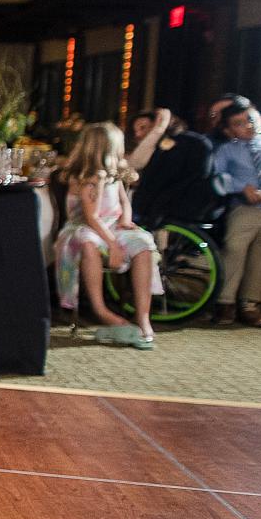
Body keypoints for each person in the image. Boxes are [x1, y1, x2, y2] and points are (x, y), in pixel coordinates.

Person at [55, 123, 162, 348]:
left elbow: (124, 201)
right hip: (85, 227)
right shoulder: (89, 178)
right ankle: (100, 310)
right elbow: (91, 216)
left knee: (143, 244)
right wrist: (112, 244)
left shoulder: (114, 174)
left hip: (112, 226)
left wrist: (125, 219)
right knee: (88, 244)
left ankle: (143, 316)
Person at [212, 100, 261, 327]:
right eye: (239, 123)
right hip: (246, 208)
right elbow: (217, 177)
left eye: (252, 119)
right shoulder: (227, 150)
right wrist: (240, 187)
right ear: (228, 130)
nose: (248, 125)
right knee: (235, 246)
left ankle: (250, 303)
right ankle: (225, 301)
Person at [129, 108, 220, 227]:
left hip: (172, 204)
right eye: (135, 131)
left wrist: (158, 129)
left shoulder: (175, 144)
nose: (138, 134)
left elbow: (137, 162)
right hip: (183, 203)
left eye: (143, 128)